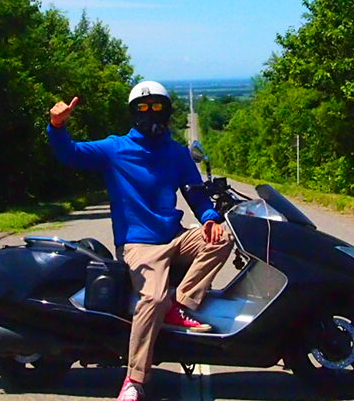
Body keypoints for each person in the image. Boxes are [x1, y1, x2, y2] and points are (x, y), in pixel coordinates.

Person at [47, 80, 233, 401]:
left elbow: (196, 195)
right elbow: (71, 153)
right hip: (139, 244)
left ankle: (181, 304)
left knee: (222, 238)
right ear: (134, 113)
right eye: (144, 108)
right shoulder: (115, 149)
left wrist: (210, 219)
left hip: (174, 237)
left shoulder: (177, 153)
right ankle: (134, 380)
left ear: (167, 111)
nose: (151, 114)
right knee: (154, 299)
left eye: (157, 107)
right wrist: (57, 126)